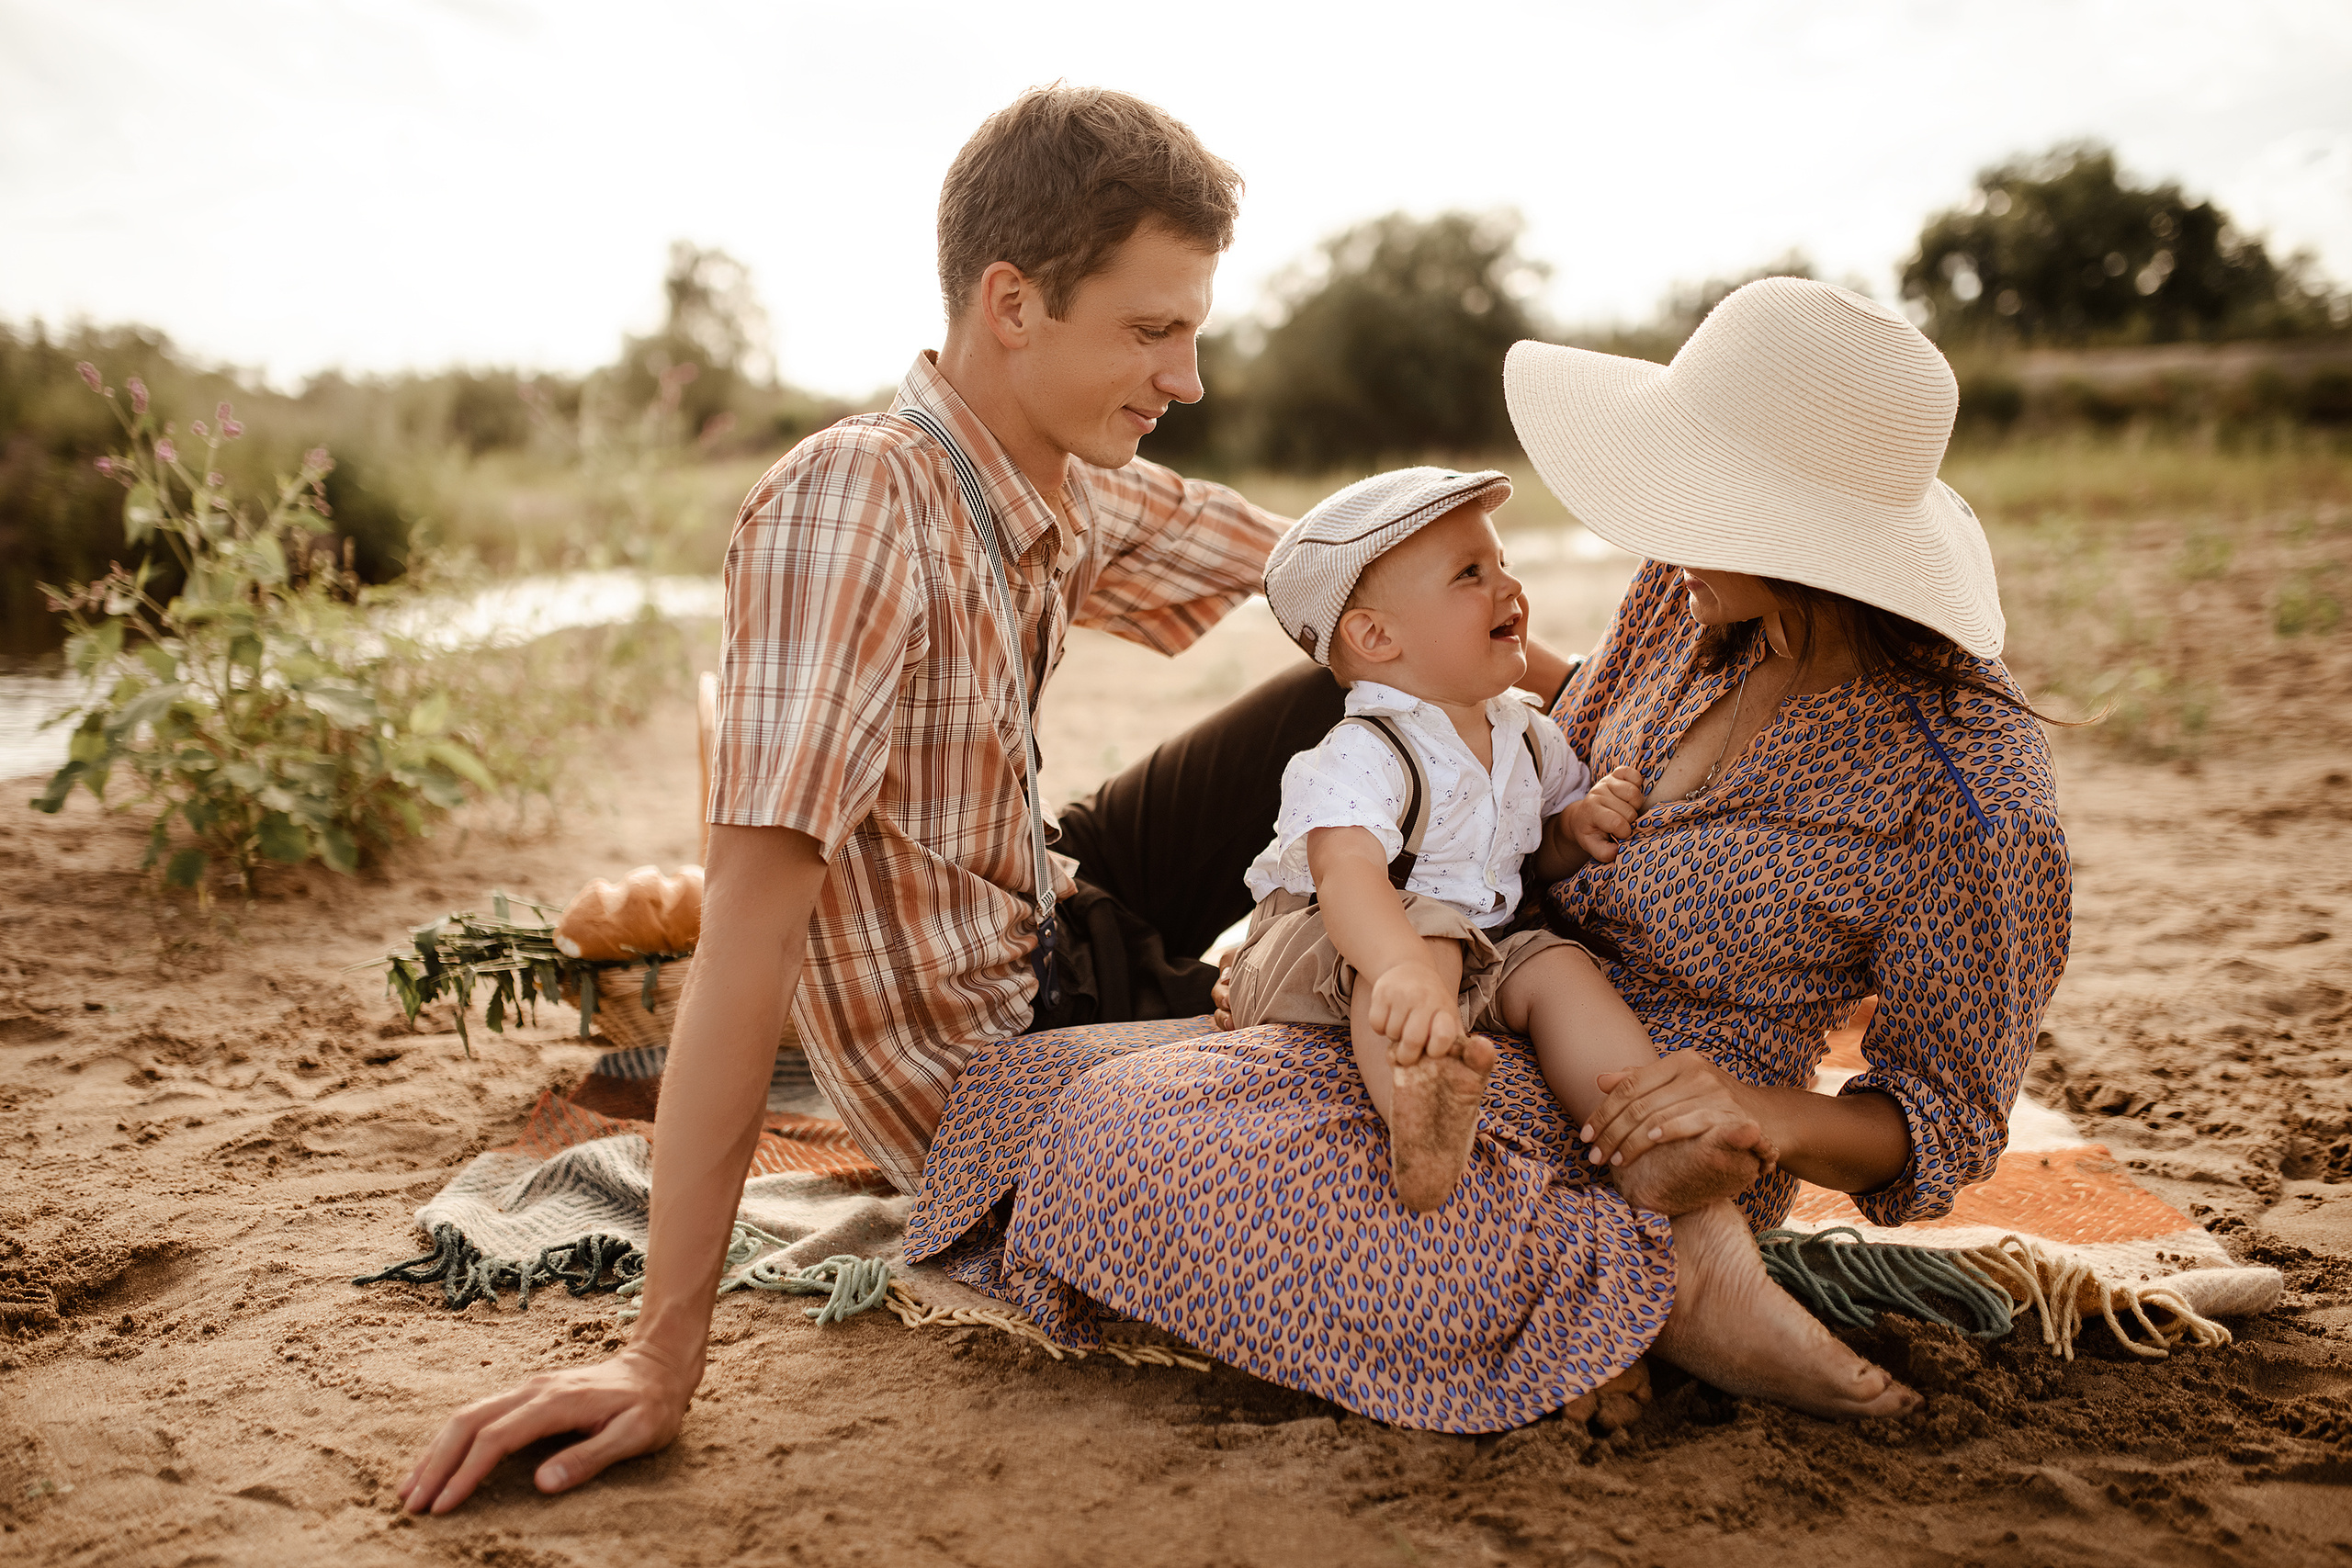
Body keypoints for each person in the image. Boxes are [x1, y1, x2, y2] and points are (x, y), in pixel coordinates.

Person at [397, 84, 1584, 1514]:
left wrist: (1630, 690)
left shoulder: (1057, 475)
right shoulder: (855, 505)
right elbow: (749, 941)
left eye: (1190, 331)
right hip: (998, 1048)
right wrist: (661, 1355)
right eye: (1153, 331)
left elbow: (1366, 586)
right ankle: (1549, 1005)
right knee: (1438, 1026)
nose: (1188, 378)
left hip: (1059, 897)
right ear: (1013, 302)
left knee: (1375, 665)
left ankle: (1607, 901)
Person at [902, 276, 2068, 1434]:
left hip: (1642, 1122)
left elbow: (1938, 1121)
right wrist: (1409, 649)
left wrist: (1760, 1113)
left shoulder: (1971, 797)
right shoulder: (1697, 593)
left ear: (1812, 544)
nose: (1656, 528)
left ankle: (1653, 1282)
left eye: (1701, 501)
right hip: (1483, 994)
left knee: (1130, 1146)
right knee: (1030, 1098)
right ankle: (1631, 1299)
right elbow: (1557, 732)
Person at [1225, 466, 1758, 1212]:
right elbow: (1346, 875)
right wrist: (1402, 968)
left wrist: (1575, 828)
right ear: (1375, 635)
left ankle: (1647, 1138)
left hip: (1476, 949)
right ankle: (1421, 1123)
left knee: (1560, 966)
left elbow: (1531, 851)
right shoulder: (1363, 751)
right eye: (1470, 574)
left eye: (1503, 563)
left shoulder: (1526, 734)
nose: (1508, 587)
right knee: (1431, 933)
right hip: (1330, 954)